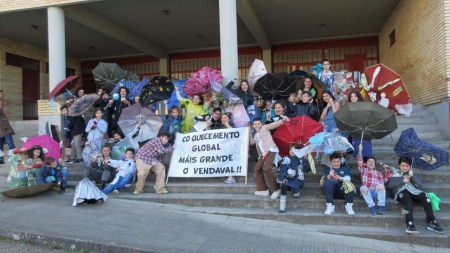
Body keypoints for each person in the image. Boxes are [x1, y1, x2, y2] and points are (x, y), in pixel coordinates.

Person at [384, 157, 445, 234]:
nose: (405, 168)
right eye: (403, 166)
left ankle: (432, 221)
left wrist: (412, 176)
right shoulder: (395, 173)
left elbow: (420, 186)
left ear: (410, 166)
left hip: (414, 190)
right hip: (400, 191)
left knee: (425, 196)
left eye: (407, 166)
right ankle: (410, 224)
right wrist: (402, 181)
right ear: (399, 165)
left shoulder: (413, 174)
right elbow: (390, 186)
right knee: (408, 202)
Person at [250, 117, 287, 200]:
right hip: (263, 154)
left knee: (267, 168)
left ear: (261, 124)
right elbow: (252, 142)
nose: (257, 125)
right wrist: (248, 132)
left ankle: (276, 189)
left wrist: (282, 121)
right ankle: (263, 189)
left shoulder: (264, 127)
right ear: (253, 125)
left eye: (258, 123)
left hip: (271, 149)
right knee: (257, 168)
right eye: (255, 124)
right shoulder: (256, 135)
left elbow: (273, 125)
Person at [357, 147, 389, 215]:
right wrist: (360, 150)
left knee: (381, 186)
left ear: (374, 165)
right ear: (365, 164)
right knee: (363, 188)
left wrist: (387, 170)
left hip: (375, 193)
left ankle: (381, 206)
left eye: (373, 162)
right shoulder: (363, 170)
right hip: (367, 193)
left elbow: (385, 180)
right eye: (369, 161)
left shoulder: (378, 173)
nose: (371, 162)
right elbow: (360, 162)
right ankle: (371, 206)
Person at [347, 91, 372, 158]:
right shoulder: (348, 108)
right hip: (355, 132)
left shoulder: (364, 107)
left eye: (355, 96)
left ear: (358, 97)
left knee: (366, 153)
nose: (353, 98)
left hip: (364, 131)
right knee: (358, 154)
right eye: (351, 97)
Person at [218, 112, 237, 184]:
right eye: (222, 118)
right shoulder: (219, 127)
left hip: (231, 148)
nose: (223, 119)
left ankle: (231, 177)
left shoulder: (233, 126)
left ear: (229, 120)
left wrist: (228, 126)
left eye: (225, 118)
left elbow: (235, 134)